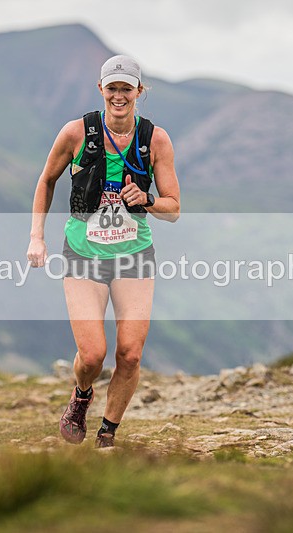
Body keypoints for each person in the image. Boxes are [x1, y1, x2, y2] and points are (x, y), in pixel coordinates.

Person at [27, 55, 180, 448]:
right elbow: (46, 181)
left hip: (134, 256)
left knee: (129, 354)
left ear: (139, 92)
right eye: (112, 88)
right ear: (101, 90)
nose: (118, 95)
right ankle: (81, 396)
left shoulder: (155, 139)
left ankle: (107, 433)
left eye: (126, 89)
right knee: (93, 355)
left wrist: (145, 199)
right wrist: (36, 237)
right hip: (83, 254)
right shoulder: (76, 133)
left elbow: (174, 208)